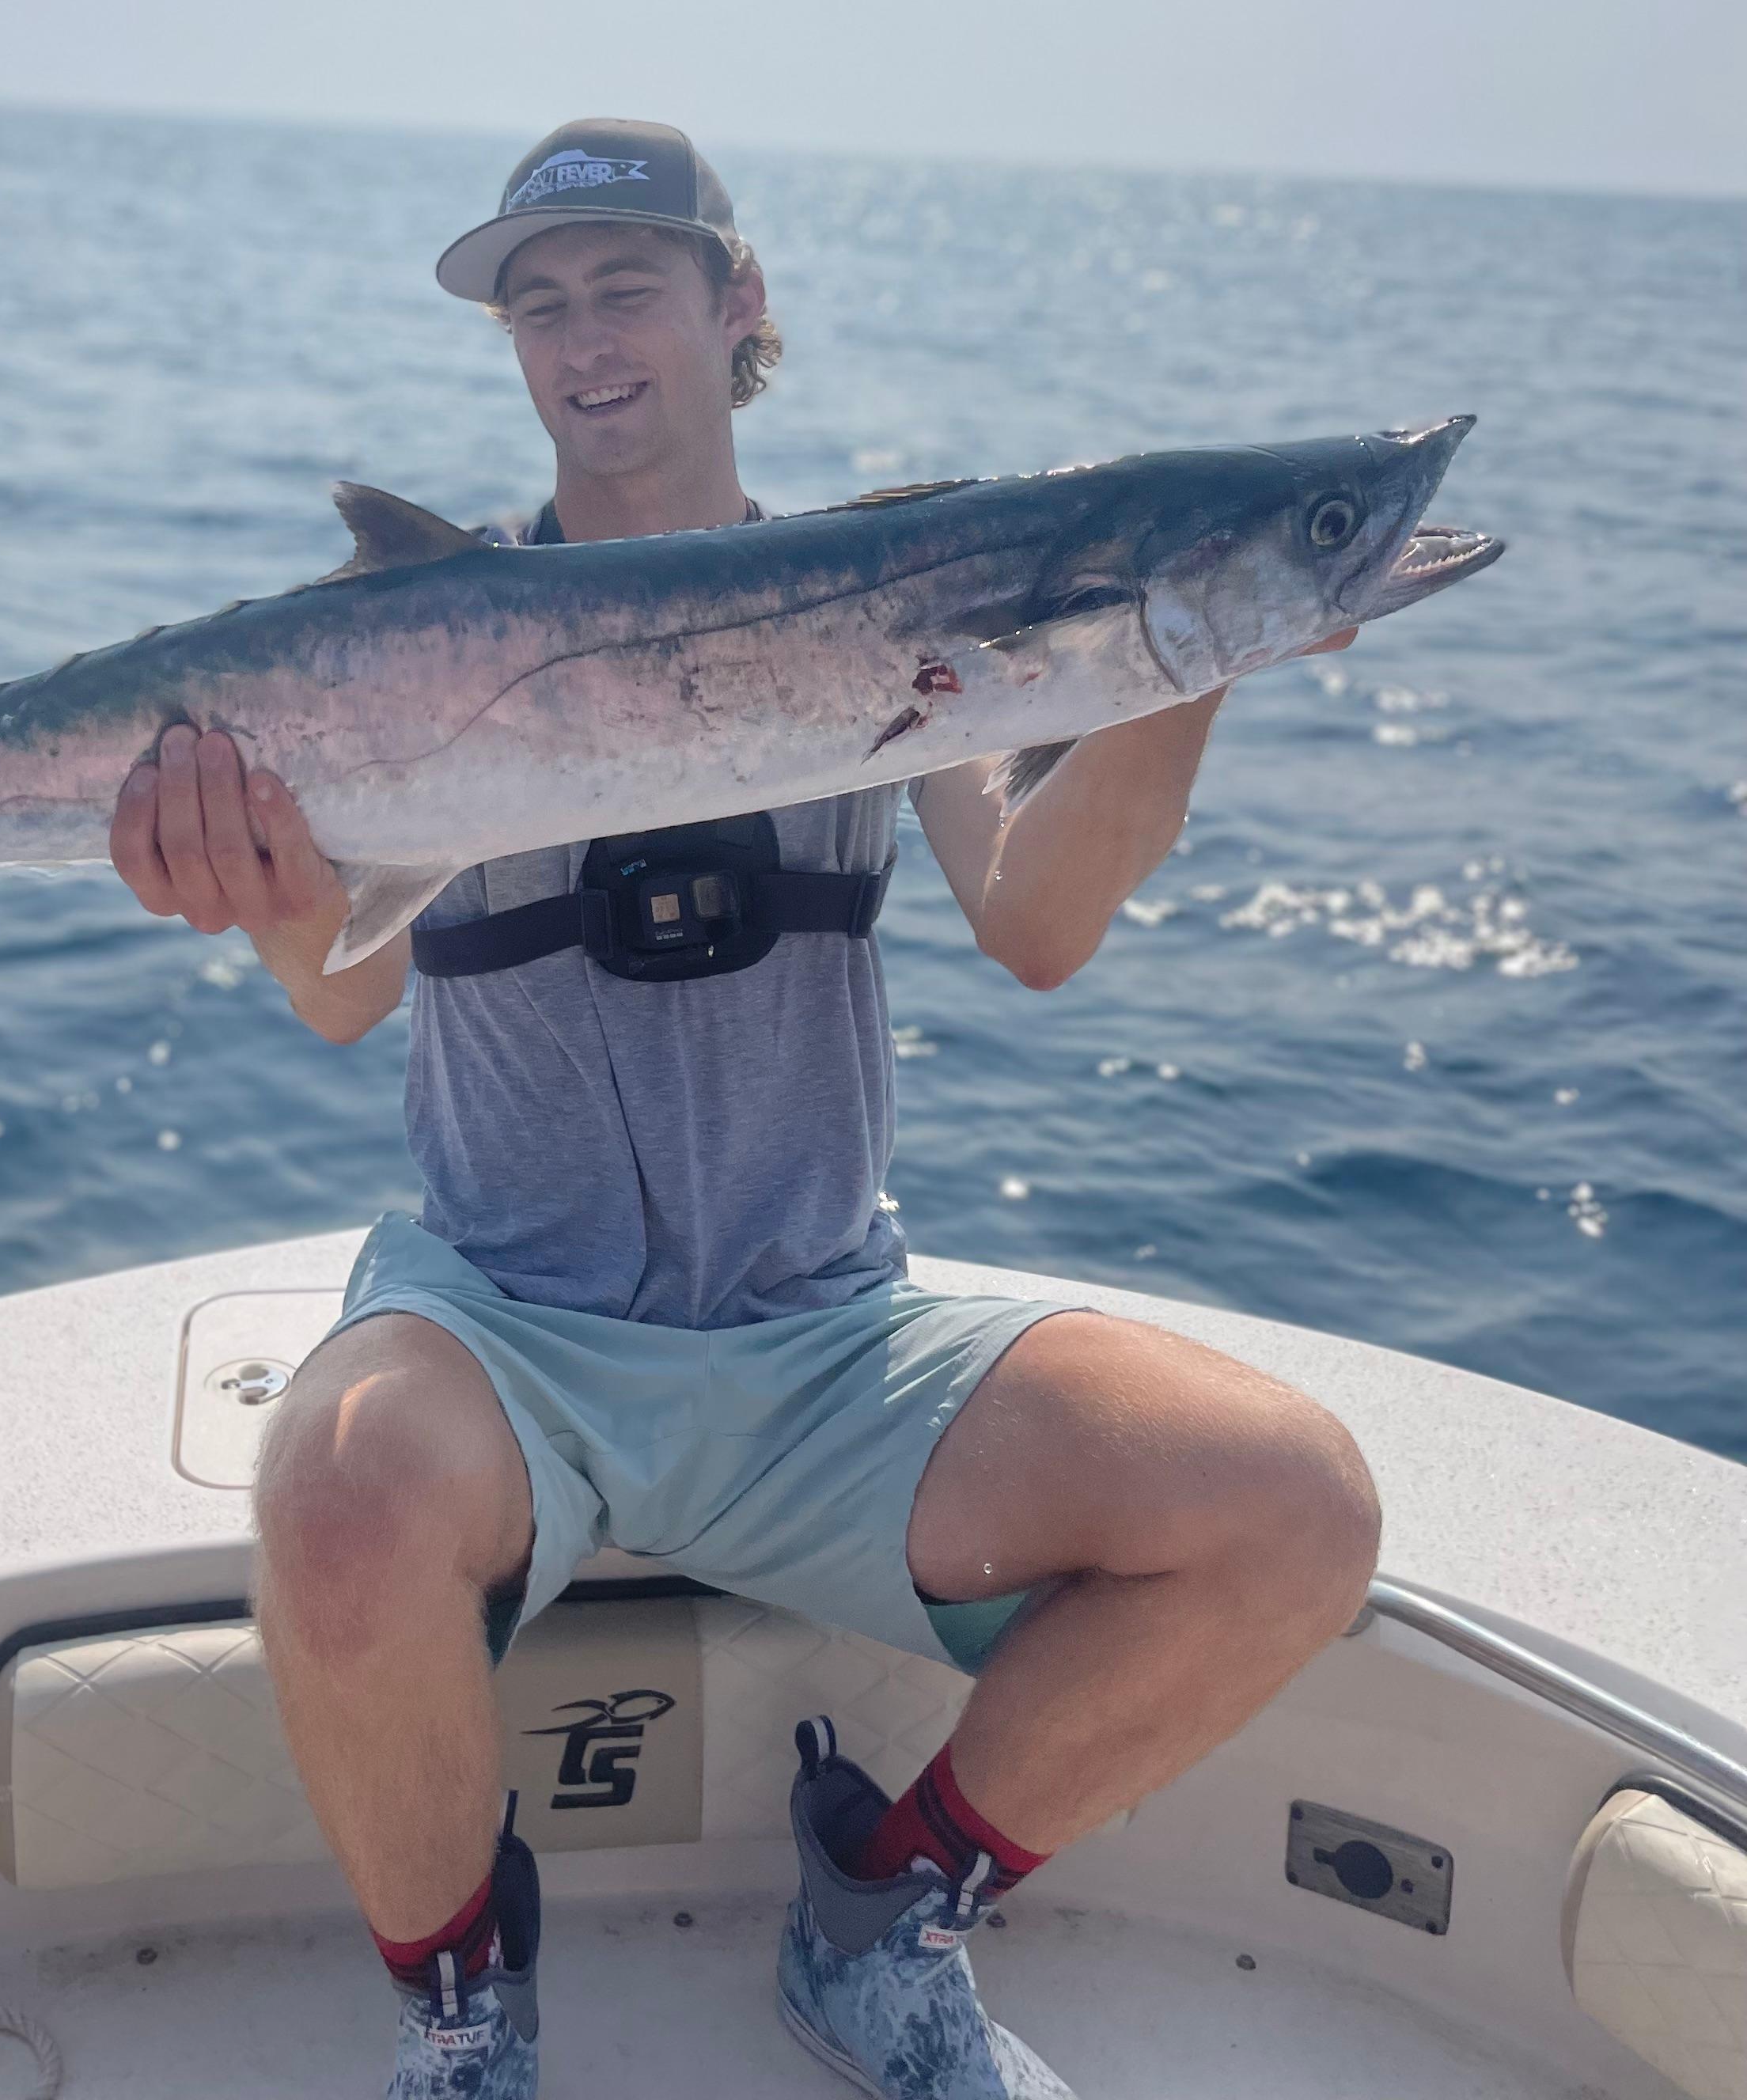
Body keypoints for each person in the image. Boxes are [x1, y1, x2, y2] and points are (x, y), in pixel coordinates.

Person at [109, 119, 1379, 2100]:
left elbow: (1039, 927)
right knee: (340, 1498)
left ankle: (885, 1914)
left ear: (738, 305)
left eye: (628, 287)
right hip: (509, 1333)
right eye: (540, 306)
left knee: (1295, 1508)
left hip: (823, 1343)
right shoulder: (411, 633)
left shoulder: (896, 596)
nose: (582, 339)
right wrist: (263, 903)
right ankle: (464, 2016)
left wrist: (1195, 652)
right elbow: (348, 999)